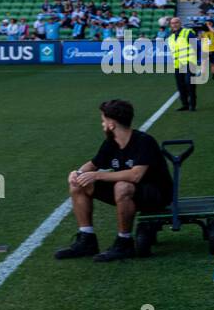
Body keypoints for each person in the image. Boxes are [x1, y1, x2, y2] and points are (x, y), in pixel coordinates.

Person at [54, 99, 173, 263]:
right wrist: (77, 173)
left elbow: (135, 175)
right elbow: (93, 164)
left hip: (156, 195)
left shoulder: (144, 141)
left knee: (122, 186)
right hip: (128, 192)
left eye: (103, 121)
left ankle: (124, 242)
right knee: (79, 184)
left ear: (112, 124)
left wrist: (97, 175)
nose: (102, 124)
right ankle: (87, 239)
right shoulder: (112, 143)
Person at [167, 16, 199, 111]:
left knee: (189, 84)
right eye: (172, 23)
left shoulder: (187, 32)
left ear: (180, 23)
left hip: (190, 62)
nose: (174, 24)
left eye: (176, 22)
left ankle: (192, 105)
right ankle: (185, 104)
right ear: (170, 25)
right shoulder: (171, 38)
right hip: (178, 64)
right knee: (180, 85)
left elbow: (196, 46)